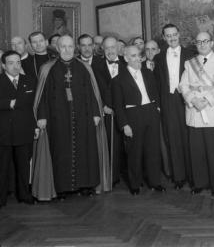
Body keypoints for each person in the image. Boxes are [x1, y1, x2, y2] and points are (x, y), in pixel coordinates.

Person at [35, 35, 109, 199]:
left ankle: (86, 185)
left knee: (86, 151)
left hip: (83, 117)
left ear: (74, 48)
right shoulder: (48, 68)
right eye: (63, 47)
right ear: (58, 48)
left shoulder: (84, 67)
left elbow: (92, 92)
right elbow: (42, 96)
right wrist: (42, 116)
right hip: (58, 119)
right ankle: (62, 188)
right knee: (60, 152)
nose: (67, 50)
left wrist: (96, 113)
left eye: (70, 46)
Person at [179, 31, 214, 196]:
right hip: (194, 112)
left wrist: (206, 100)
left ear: (212, 43)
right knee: (197, 151)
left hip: (213, 111)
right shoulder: (189, 63)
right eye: (199, 42)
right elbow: (183, 86)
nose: (202, 44)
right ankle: (199, 183)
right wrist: (194, 100)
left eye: (205, 41)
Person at [112, 45, 164, 195]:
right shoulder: (118, 80)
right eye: (133, 56)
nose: (137, 59)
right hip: (133, 115)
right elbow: (118, 105)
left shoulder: (148, 73)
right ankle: (135, 184)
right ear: (126, 58)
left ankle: (155, 182)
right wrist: (124, 124)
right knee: (135, 151)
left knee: (153, 150)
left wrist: (157, 109)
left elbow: (156, 91)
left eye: (138, 55)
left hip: (151, 112)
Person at [154, 24, 195, 190]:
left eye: (174, 35)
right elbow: (156, 83)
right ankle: (179, 177)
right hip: (168, 101)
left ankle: (192, 176)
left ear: (179, 34)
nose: (172, 38)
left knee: (189, 137)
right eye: (168, 36)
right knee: (173, 138)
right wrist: (158, 104)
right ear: (164, 38)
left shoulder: (190, 55)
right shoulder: (158, 57)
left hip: (186, 100)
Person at [0, 51, 37, 207]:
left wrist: (35, 126)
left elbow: (34, 106)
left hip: (24, 130)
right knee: (2, 167)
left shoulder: (29, 80)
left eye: (18, 62)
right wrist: (9, 103)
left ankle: (24, 195)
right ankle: (1, 198)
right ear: (3, 65)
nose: (15, 66)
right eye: (11, 63)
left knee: (24, 166)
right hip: (3, 132)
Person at [93, 36, 127, 185]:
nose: (110, 51)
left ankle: (130, 175)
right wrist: (103, 106)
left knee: (128, 144)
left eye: (113, 47)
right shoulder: (96, 65)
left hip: (126, 111)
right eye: (107, 48)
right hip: (107, 110)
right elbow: (93, 90)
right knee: (112, 143)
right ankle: (112, 176)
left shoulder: (127, 62)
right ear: (103, 49)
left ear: (118, 48)